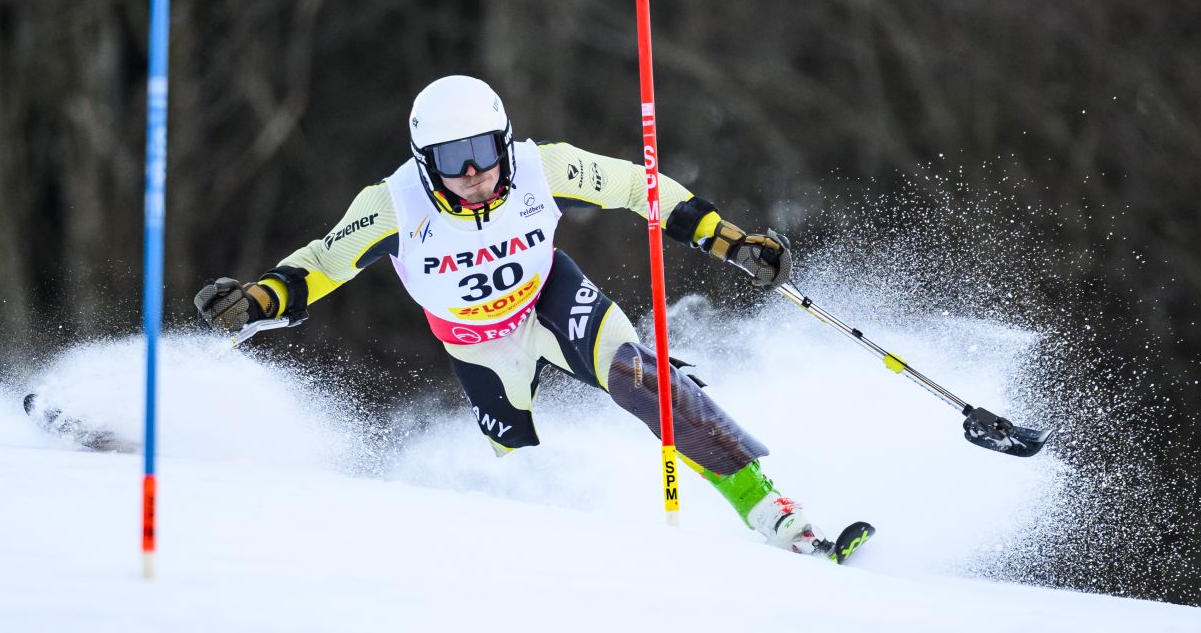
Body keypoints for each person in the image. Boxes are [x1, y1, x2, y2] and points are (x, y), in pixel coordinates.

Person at [195, 75, 832, 555]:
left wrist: (730, 240)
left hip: (550, 298)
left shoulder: (539, 167)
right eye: (451, 158)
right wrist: (257, 301)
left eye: (481, 150)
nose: (472, 172)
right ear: (426, 163)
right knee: (515, 465)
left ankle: (768, 509)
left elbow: (641, 188)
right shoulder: (393, 204)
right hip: (476, 344)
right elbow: (322, 264)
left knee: (642, 380)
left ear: (502, 141)